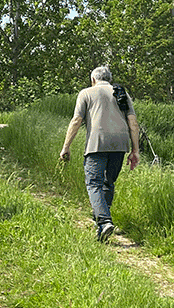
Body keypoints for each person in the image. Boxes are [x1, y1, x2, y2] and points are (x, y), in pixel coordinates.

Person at [60, 66, 140, 242]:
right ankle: (102, 226)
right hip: (120, 145)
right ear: (109, 79)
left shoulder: (86, 93)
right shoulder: (122, 93)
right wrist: (135, 150)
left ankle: (104, 222)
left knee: (93, 183)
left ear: (93, 79)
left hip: (97, 144)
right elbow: (133, 123)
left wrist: (66, 146)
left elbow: (76, 121)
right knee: (107, 182)